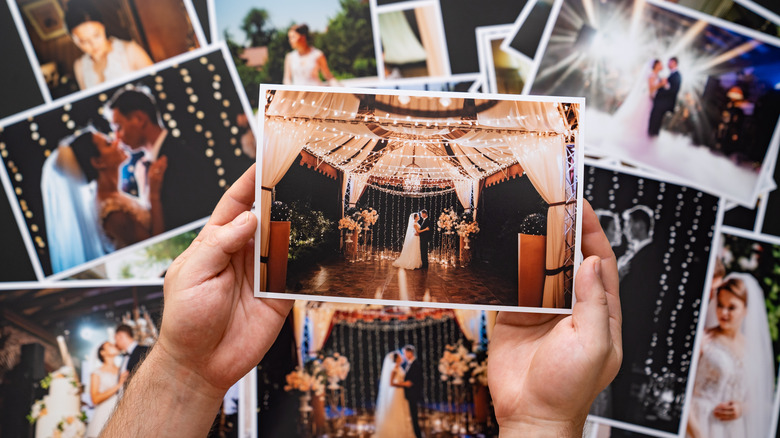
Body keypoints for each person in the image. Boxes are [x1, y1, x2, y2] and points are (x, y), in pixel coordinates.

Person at [101, 165, 621, 437]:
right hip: (410, 254)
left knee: (409, 260)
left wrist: (183, 371)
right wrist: (543, 428)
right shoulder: (399, 362)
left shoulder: (425, 219)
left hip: (416, 249)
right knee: (407, 260)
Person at [41, 129, 166, 273]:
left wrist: (143, 186)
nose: (117, 141)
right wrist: (154, 196)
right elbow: (157, 250)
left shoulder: (112, 195)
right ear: (98, 162)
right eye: (108, 143)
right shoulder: (112, 213)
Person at [107, 87, 224, 231]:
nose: (117, 138)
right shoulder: (142, 166)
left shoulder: (182, 157)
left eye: (118, 127)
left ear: (139, 119)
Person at [686, 274, 774, 438]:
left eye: (731, 307)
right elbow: (684, 390)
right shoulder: (705, 340)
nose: (723, 312)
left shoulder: (753, 350)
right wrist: (697, 434)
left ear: (746, 309)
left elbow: (760, 396)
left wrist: (743, 408)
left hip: (733, 431)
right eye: (720, 305)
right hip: (699, 424)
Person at [64, 0, 153, 90]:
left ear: (103, 27)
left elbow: (156, 84)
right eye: (84, 41)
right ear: (74, 40)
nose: (93, 44)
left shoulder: (130, 51)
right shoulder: (80, 66)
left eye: (96, 35)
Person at [612, 59, 666, 137]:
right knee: (640, 117)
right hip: (646, 99)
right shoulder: (651, 75)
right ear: (656, 65)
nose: (662, 66)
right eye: (660, 64)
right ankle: (630, 134)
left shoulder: (657, 76)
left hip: (651, 99)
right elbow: (651, 89)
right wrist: (661, 84)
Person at [85, 342, 128, 438]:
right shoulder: (96, 373)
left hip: (121, 414)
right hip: (103, 415)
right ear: (103, 353)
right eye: (110, 345)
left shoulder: (123, 369)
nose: (115, 345)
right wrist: (118, 386)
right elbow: (95, 399)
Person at [374, 351, 416, 438]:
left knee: (402, 411)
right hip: (395, 392)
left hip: (400, 392)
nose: (402, 358)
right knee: (396, 412)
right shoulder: (393, 368)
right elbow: (391, 383)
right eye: (400, 357)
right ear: (396, 359)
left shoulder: (399, 367)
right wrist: (404, 384)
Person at [648, 57, 682, 137]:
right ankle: (651, 135)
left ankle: (651, 136)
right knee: (655, 119)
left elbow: (673, 90)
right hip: (660, 101)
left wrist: (663, 86)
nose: (668, 64)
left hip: (663, 102)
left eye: (669, 62)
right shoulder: (672, 74)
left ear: (674, 63)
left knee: (656, 119)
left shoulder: (677, 75)